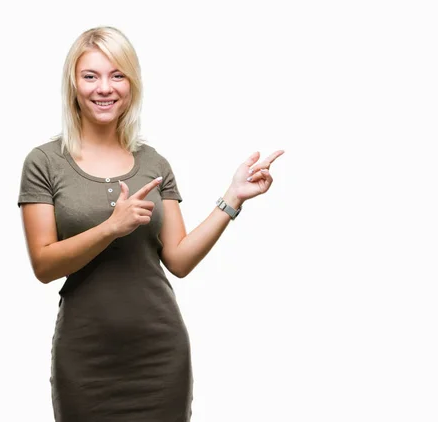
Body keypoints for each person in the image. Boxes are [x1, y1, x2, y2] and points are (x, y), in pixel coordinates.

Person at [17, 26, 284, 422]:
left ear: (131, 84)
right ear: (73, 84)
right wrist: (110, 227)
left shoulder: (154, 163)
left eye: (117, 75)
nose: (104, 88)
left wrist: (232, 198)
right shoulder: (44, 163)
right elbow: (44, 266)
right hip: (85, 356)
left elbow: (178, 260)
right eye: (90, 76)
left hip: (160, 354)